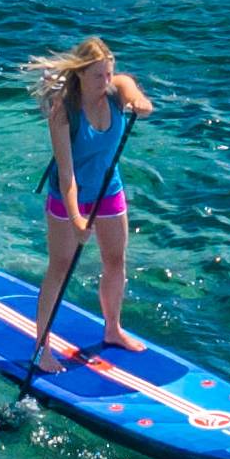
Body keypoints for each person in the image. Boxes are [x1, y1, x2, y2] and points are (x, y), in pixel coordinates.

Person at [30, 37, 153, 369]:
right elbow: (67, 175)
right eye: (99, 76)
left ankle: (112, 329)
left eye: (109, 74)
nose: (106, 82)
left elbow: (133, 94)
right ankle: (42, 350)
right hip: (68, 196)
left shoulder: (116, 90)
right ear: (81, 75)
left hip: (108, 189)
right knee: (60, 267)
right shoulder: (63, 113)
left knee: (115, 259)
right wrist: (76, 220)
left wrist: (140, 103)